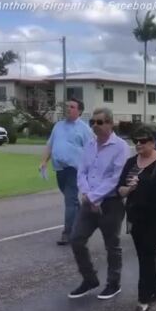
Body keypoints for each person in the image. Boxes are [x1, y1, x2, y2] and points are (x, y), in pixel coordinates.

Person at [68, 107, 130, 300]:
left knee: (112, 244)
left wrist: (95, 197)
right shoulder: (89, 144)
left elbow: (115, 177)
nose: (95, 125)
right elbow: (82, 172)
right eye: (92, 122)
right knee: (76, 239)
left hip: (111, 203)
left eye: (100, 122)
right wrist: (87, 195)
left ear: (110, 124)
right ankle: (89, 279)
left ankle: (113, 283)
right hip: (89, 202)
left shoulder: (121, 147)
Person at [117, 126, 156, 311]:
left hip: (154, 217)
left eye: (143, 141)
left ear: (153, 141)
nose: (138, 144)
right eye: (136, 140)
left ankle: (143, 298)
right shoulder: (130, 162)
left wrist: (143, 183)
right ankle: (153, 290)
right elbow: (120, 189)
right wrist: (129, 189)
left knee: (146, 256)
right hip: (135, 216)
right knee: (145, 256)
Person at [40, 98, 94, 245]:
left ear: (79, 111)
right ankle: (83, 221)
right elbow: (50, 145)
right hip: (59, 169)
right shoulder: (58, 126)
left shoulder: (85, 129)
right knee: (72, 201)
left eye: (72, 107)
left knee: (69, 200)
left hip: (74, 169)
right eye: (66, 106)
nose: (68, 109)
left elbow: (92, 151)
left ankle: (68, 233)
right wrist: (44, 161)